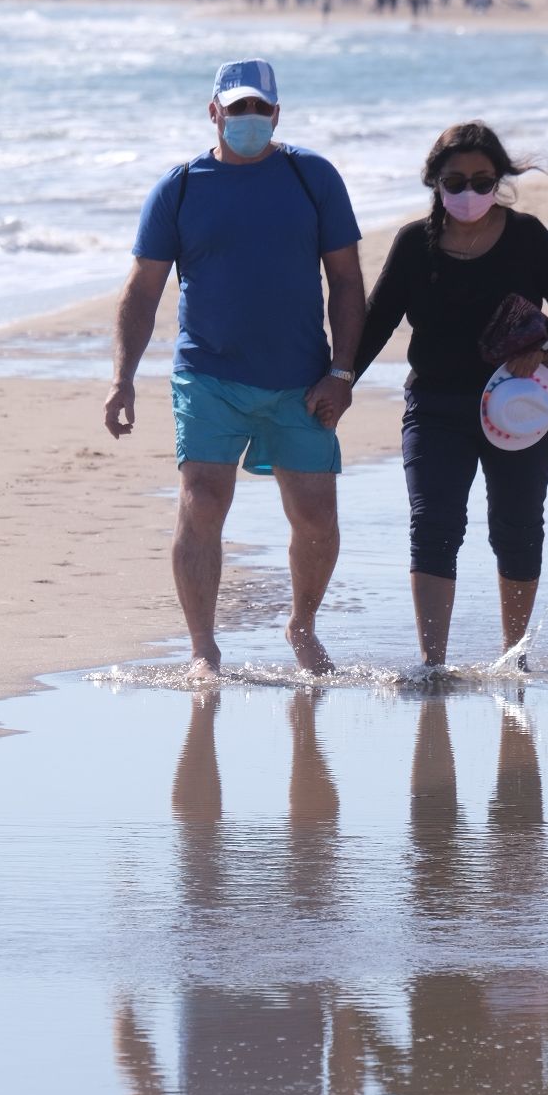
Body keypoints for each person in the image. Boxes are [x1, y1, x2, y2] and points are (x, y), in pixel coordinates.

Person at [104, 59, 366, 679]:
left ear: (276, 114)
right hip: (208, 375)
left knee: (316, 518)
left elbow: (348, 282)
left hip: (300, 381)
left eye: (260, 110)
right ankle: (203, 649)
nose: (249, 120)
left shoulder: (312, 178)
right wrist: (122, 379)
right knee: (201, 503)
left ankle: (301, 624)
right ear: (213, 111)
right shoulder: (181, 188)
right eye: (237, 108)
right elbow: (142, 291)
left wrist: (343, 373)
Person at [352, 121, 548, 668]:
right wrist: (339, 383)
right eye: (455, 182)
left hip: (520, 408)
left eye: (482, 182)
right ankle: (432, 665)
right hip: (434, 409)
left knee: (516, 524)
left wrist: (543, 343)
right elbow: (376, 324)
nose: (468, 194)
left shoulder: (527, 235)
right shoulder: (416, 243)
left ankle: (513, 657)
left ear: (499, 180)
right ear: (435, 182)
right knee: (433, 524)